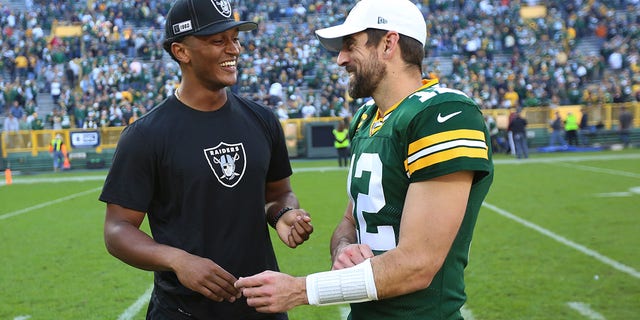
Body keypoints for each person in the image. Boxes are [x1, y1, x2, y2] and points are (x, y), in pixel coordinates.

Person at [235, 0, 494, 318]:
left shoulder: (443, 114)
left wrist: (301, 290)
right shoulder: (366, 118)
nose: (341, 59)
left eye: (351, 45)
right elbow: (349, 222)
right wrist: (344, 249)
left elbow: (419, 264)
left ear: (389, 43)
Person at [99, 0, 314, 319]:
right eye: (218, 41)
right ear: (181, 52)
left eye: (235, 38)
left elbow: (277, 193)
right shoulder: (145, 135)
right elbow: (117, 229)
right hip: (183, 310)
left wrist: (283, 214)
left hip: (263, 305)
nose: (234, 50)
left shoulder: (263, 120)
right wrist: (178, 260)